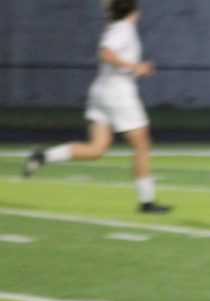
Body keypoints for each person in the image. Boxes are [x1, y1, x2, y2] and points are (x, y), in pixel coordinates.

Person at [21, 0, 170, 214]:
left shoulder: (117, 28)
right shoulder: (123, 30)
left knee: (96, 149)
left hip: (101, 92)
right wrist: (136, 67)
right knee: (142, 147)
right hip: (119, 95)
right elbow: (106, 53)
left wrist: (134, 68)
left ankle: (44, 156)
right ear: (133, 11)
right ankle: (147, 202)